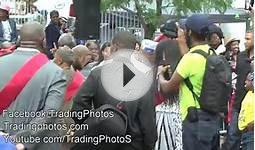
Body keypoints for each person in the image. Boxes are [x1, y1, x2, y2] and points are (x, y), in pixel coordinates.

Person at [71, 31, 157, 150]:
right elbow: (148, 123)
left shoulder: (98, 74)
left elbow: (77, 108)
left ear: (114, 47)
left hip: (102, 142)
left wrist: (92, 126)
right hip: (132, 144)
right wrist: (149, 146)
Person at [0, 22, 66, 149]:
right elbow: (50, 113)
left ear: (20, 39)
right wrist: (19, 140)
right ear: (44, 41)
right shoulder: (55, 72)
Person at [159, 14, 221, 150]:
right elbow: (191, 58)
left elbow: (168, 88)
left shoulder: (190, 59)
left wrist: (160, 76)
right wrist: (182, 41)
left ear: (190, 32)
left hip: (194, 121)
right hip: (212, 120)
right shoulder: (211, 54)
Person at [222, 30, 254, 150]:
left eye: (248, 39)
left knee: (249, 138)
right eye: (245, 39)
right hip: (238, 102)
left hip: (251, 105)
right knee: (232, 136)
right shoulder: (241, 56)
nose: (245, 42)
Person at [238, 70, 254, 150]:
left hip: (252, 134)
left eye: (248, 80)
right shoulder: (249, 93)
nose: (245, 82)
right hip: (245, 134)